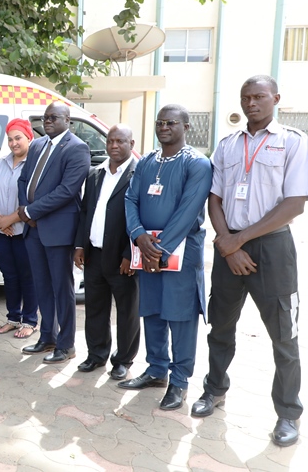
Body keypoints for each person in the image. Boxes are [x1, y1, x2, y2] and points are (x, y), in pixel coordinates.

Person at [192, 76, 307, 447]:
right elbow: (215, 198)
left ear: (276, 97)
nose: (251, 103)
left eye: (259, 97)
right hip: (229, 248)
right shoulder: (227, 145)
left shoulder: (292, 142)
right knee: (220, 327)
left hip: (272, 250)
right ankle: (215, 389)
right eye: (245, 98)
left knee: (284, 337)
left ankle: (288, 413)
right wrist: (227, 245)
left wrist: (236, 241)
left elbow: (295, 203)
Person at [121, 104, 212, 411]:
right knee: (153, 311)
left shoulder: (197, 164)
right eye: (160, 122)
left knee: (180, 315)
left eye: (171, 122)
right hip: (147, 250)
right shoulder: (146, 161)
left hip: (180, 253)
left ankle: (180, 381)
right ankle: (157, 370)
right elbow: (131, 198)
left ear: (186, 127)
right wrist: (138, 235)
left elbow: (189, 210)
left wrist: (159, 248)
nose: (163, 127)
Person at [18, 102, 90, 364]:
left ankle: (66, 344)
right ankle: (47, 335)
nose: (47, 121)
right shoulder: (37, 145)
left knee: (62, 288)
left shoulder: (77, 148)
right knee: (42, 286)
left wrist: (32, 212)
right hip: (34, 228)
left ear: (67, 120)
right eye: (45, 117)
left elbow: (67, 190)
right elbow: (23, 180)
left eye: (53, 117)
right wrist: (26, 211)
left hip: (58, 230)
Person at [73, 124, 139, 380]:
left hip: (122, 256)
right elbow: (85, 211)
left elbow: (142, 216)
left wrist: (129, 253)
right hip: (94, 254)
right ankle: (97, 354)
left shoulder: (139, 174)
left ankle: (123, 360)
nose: (113, 146)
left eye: (120, 141)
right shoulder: (96, 174)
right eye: (110, 141)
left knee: (127, 310)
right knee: (96, 307)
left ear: (131, 144)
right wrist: (80, 245)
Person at [0, 118, 38, 339]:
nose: (14, 143)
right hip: (1, 231)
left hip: (24, 231)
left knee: (28, 276)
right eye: (10, 139)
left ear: (29, 137)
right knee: (9, 276)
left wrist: (11, 219)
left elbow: (35, 200)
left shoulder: (35, 165)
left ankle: (30, 320)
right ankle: (12, 318)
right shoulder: (2, 162)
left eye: (18, 138)